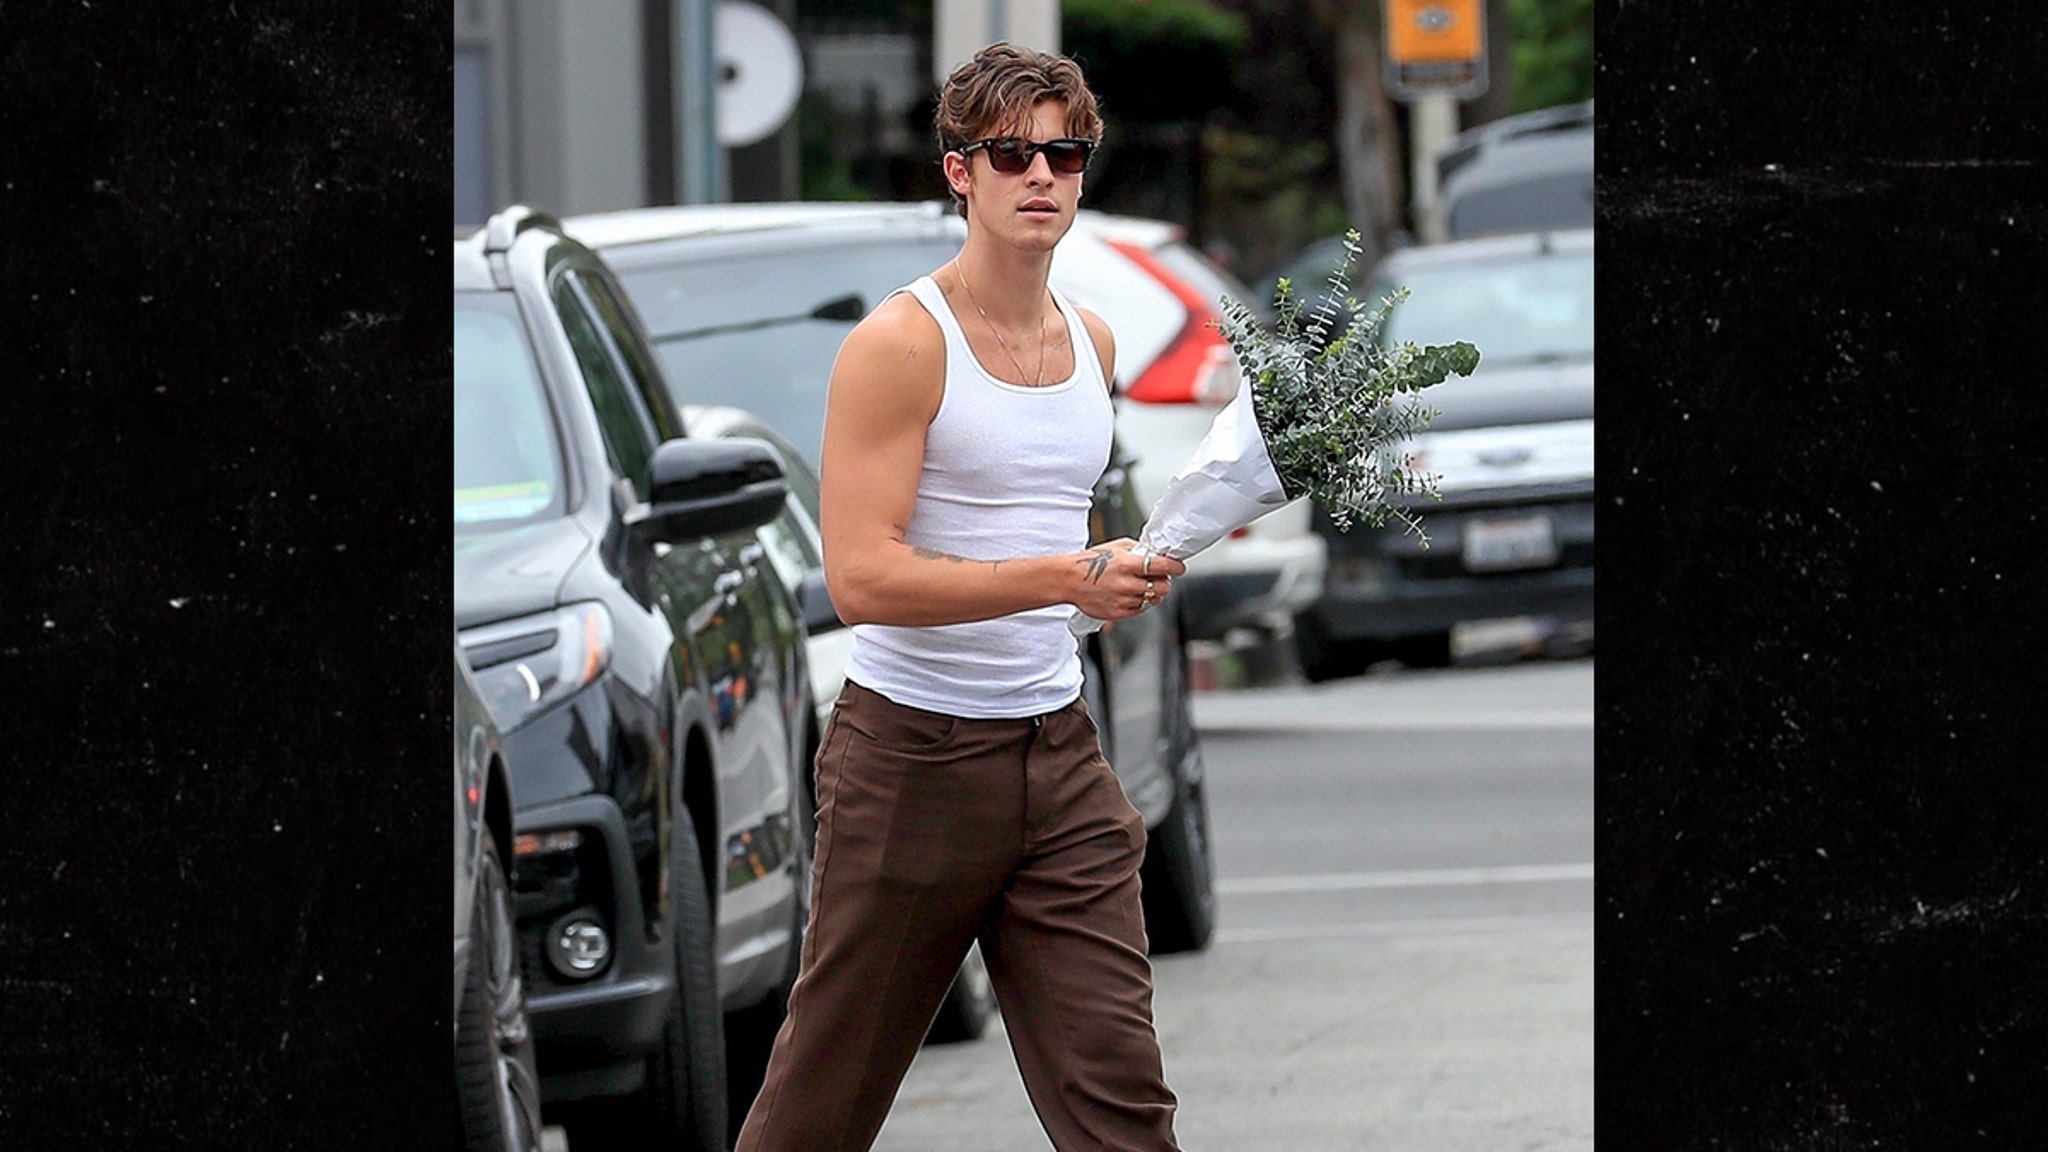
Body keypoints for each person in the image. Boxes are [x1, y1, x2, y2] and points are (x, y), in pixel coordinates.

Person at [732, 41, 1187, 1152]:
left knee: (1120, 1101)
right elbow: (861, 576)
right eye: (1010, 153)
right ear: (958, 173)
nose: (1040, 175)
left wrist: (1125, 565)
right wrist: (1061, 578)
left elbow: (1043, 533)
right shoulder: (899, 344)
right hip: (910, 763)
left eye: (1063, 153)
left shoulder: (1094, 342)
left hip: (1058, 755)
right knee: (819, 1113)